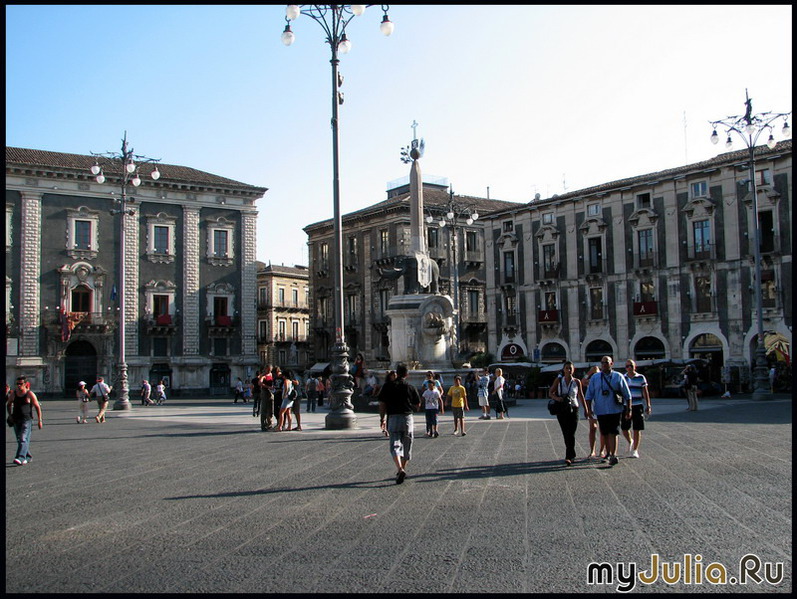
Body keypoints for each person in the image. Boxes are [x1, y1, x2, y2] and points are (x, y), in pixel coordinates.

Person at [584, 356, 632, 467]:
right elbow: (589, 395)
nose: (604, 364)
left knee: (614, 432)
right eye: (602, 363)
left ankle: (613, 454)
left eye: (606, 362)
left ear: (611, 364)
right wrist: (589, 410)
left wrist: (629, 409)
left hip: (615, 409)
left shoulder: (618, 376)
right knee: (604, 432)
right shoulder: (595, 377)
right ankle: (608, 453)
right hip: (601, 409)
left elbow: (627, 394)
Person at [378, 363, 421, 484]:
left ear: (396, 373)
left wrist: (382, 419)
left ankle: (399, 468)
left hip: (393, 417)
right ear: (407, 374)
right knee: (407, 444)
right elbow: (417, 404)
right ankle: (402, 468)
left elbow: (382, 404)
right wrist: (413, 407)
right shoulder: (410, 387)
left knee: (395, 444)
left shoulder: (387, 386)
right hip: (407, 418)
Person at [548, 361, 585, 466]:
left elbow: (581, 396)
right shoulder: (559, 380)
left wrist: (586, 410)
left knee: (571, 432)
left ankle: (569, 456)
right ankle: (571, 454)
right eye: (567, 368)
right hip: (562, 409)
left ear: (573, 370)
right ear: (564, 370)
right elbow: (550, 392)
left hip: (574, 409)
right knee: (565, 432)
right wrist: (557, 398)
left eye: (570, 368)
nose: (569, 370)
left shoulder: (577, 382)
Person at [7, 376, 43, 465]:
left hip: (26, 420)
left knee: (23, 438)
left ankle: (20, 457)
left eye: (21, 384)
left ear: (25, 384)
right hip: (16, 419)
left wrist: (40, 420)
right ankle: (28, 456)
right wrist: (10, 415)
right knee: (20, 439)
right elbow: (8, 404)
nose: (19, 385)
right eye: (17, 384)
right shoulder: (14, 394)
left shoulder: (29, 394)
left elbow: (37, 407)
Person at [621, 359, 652, 459]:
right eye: (627, 366)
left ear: (635, 366)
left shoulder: (641, 377)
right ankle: (630, 441)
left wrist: (648, 405)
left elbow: (645, 392)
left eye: (631, 365)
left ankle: (635, 450)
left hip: (638, 405)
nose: (629, 368)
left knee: (637, 428)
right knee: (624, 428)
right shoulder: (623, 378)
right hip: (626, 405)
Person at [581, 365, 604, 459]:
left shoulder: (603, 379)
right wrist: (589, 372)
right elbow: (582, 382)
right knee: (592, 428)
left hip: (602, 406)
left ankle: (602, 450)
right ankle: (592, 451)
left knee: (603, 430)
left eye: (597, 372)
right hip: (593, 406)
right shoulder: (590, 381)